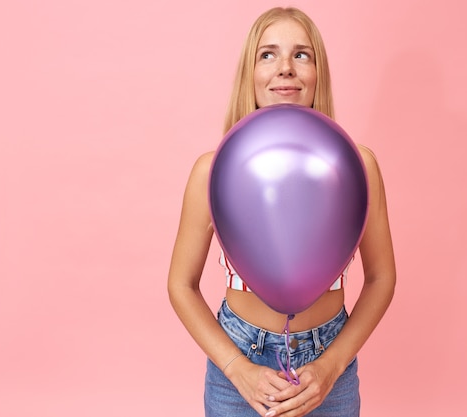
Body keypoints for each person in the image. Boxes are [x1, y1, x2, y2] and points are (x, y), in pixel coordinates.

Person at [168, 6, 396, 417]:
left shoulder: (358, 167)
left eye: (301, 55)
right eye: (268, 54)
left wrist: (332, 365)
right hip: (238, 360)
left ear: (317, 73)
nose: (286, 68)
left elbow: (381, 277)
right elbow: (180, 284)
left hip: (329, 363)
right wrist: (238, 369)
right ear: (250, 73)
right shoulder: (213, 169)